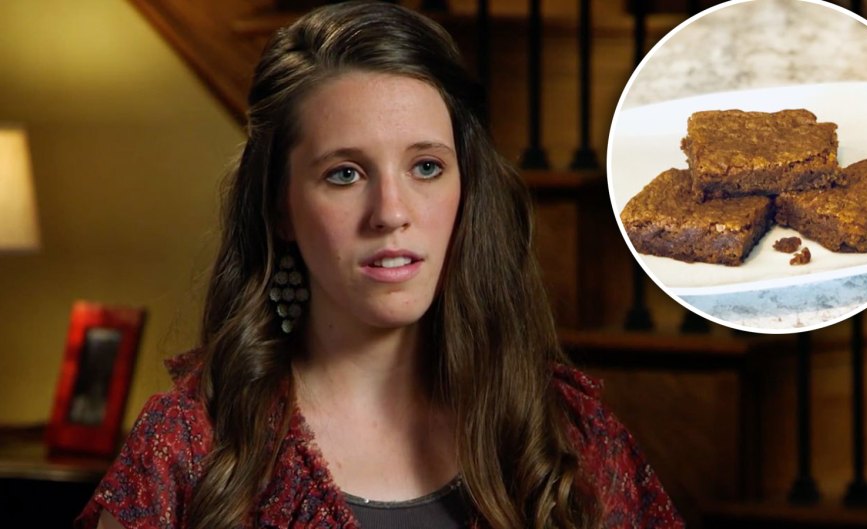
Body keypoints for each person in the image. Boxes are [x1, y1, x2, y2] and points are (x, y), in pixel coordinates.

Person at [76, 2, 683, 528]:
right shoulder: (192, 446)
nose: (391, 212)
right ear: (280, 209)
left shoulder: (565, 436)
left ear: (465, 190)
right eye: (344, 174)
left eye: (426, 167)